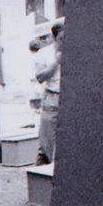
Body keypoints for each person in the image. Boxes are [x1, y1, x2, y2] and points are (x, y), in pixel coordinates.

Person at [34, 21, 63, 165]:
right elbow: (39, 77)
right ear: (54, 38)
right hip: (52, 97)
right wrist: (56, 63)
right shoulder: (44, 53)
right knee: (46, 143)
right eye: (61, 39)